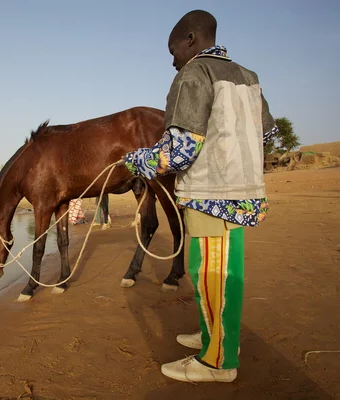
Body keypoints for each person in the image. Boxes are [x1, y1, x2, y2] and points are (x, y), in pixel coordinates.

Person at [122, 9, 278, 383]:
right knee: (224, 272)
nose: (172, 58)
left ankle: (218, 361)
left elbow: (181, 150)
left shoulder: (193, 73)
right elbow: (267, 135)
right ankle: (217, 336)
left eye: (172, 48)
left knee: (210, 272)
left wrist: (135, 161)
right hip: (241, 193)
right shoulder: (247, 77)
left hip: (212, 193)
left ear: (190, 39)